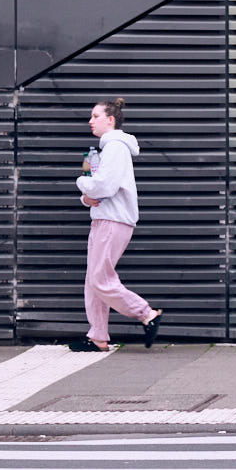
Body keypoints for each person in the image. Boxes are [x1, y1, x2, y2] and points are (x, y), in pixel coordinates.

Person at [70, 97, 163, 353]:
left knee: (100, 279)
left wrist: (81, 183)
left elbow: (104, 186)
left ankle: (147, 314)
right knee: (94, 280)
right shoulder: (106, 149)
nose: (91, 121)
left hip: (113, 220)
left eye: (95, 116)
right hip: (106, 219)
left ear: (110, 120)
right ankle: (98, 336)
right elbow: (98, 189)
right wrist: (88, 194)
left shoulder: (115, 147)